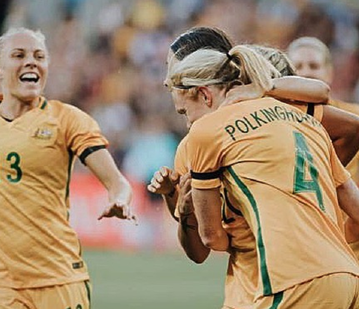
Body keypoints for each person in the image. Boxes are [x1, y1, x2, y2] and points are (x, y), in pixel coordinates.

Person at [149, 27, 359, 309]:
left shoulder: (204, 135)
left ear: (203, 90)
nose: (165, 81)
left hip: (285, 282)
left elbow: (211, 240)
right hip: (340, 274)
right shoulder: (295, 113)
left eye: (171, 68)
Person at [0, 27, 135, 309]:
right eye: (19, 55)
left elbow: (118, 183)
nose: (31, 61)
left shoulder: (67, 119)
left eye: (39, 56)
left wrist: (119, 200)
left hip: (58, 276)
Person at [287, 36, 359, 182]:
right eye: (298, 67)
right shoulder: (276, 119)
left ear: (329, 73)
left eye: (314, 66)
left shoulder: (354, 115)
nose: (306, 73)